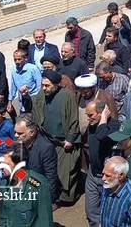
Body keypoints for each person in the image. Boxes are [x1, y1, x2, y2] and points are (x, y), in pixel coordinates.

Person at [40, 70, 82, 205]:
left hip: (64, 142)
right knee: (50, 169)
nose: (44, 88)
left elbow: (74, 119)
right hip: (48, 140)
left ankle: (64, 199)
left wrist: (70, 139)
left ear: (56, 84)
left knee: (65, 172)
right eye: (42, 85)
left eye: (47, 85)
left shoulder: (67, 95)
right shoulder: (43, 95)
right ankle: (53, 195)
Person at [0, 143, 54, 227]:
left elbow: (45, 221)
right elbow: (2, 216)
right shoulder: (4, 183)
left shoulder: (38, 185)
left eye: (6, 164)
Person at [82, 100, 118, 227]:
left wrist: (103, 119)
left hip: (107, 177)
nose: (88, 118)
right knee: (91, 211)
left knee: (109, 211)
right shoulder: (92, 125)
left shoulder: (114, 126)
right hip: (93, 174)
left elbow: (102, 135)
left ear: (102, 113)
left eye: (91, 115)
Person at [14, 114, 59, 207]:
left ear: (32, 133)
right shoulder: (19, 144)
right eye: (15, 132)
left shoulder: (46, 148)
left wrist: (48, 201)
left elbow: (50, 177)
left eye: (20, 133)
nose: (16, 135)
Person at [99, 157, 131, 227]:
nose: (103, 178)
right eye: (103, 174)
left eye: (108, 176)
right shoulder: (107, 186)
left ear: (121, 176)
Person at [9, 49, 42, 115]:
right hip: (22, 101)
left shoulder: (33, 68)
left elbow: (39, 85)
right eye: (15, 60)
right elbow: (13, 87)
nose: (17, 62)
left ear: (25, 59)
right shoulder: (14, 69)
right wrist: (10, 101)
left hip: (34, 99)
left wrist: (39, 100)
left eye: (19, 59)